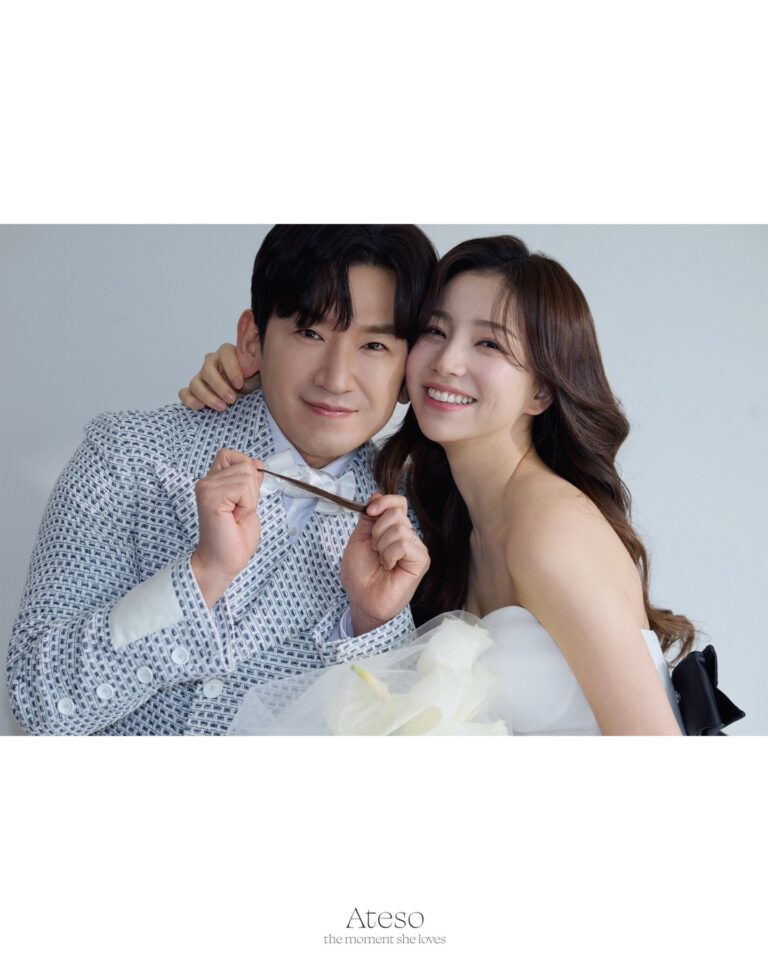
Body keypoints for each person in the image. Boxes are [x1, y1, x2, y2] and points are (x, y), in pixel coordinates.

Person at [182, 235, 692, 735]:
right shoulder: (437, 515)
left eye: (488, 343)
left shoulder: (551, 531)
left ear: (540, 390)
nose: (448, 362)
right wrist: (262, 373)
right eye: (435, 331)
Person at [8, 225, 435, 735]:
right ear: (254, 339)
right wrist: (202, 574)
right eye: (309, 333)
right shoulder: (127, 455)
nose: (336, 378)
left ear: (409, 368)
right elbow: (35, 703)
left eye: (374, 345)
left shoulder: (419, 516)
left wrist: (370, 623)